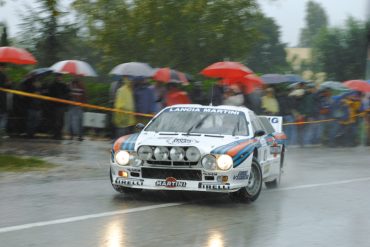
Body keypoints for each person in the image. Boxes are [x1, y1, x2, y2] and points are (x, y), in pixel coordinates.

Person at [48, 73, 70, 140]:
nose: (59, 78)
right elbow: (51, 94)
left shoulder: (64, 85)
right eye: (58, 76)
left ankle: (59, 134)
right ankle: (55, 134)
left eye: (60, 77)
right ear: (56, 77)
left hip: (62, 105)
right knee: (56, 121)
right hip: (55, 105)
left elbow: (67, 93)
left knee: (61, 121)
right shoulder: (52, 85)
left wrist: (67, 86)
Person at [0, 63, 10, 138]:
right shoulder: (3, 76)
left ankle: (2, 132)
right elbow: (6, 85)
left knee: (3, 115)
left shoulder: (4, 75)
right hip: (2, 99)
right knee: (3, 116)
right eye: (3, 67)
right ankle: (2, 132)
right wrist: (8, 82)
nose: (4, 69)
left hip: (3, 99)